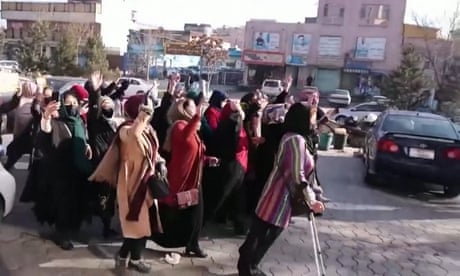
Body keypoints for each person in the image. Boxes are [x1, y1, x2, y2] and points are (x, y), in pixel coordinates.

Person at [237, 103, 325, 276]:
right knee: (264, 233)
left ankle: (249, 262)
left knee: (262, 232)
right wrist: (311, 200)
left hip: (282, 196)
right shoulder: (295, 140)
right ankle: (248, 266)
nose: (314, 122)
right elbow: (296, 174)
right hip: (278, 196)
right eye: (312, 117)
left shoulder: (295, 137)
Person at [89, 94, 163, 273]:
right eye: (145, 107)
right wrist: (143, 116)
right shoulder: (125, 129)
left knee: (142, 226)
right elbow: (133, 136)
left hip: (146, 182)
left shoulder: (147, 128)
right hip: (131, 184)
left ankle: (124, 257)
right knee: (137, 225)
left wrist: (160, 162)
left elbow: (152, 150)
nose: (149, 111)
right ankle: (134, 260)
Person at [155, 97, 216, 258]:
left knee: (197, 214)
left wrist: (208, 160)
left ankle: (192, 244)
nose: (195, 108)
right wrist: (199, 112)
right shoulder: (179, 126)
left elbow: (194, 151)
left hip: (194, 177)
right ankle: (190, 244)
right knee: (185, 212)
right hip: (182, 178)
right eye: (192, 106)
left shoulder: (191, 128)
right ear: (183, 110)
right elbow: (185, 137)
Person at [34, 89, 94, 250]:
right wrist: (46, 116)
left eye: (75, 103)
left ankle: (72, 228)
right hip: (61, 173)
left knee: (77, 202)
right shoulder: (56, 122)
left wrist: (86, 146)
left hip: (78, 171)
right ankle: (62, 234)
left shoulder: (79, 122)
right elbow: (45, 132)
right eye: (68, 104)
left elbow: (82, 138)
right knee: (63, 205)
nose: (73, 106)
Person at [205, 101, 250, 234]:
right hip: (235, 164)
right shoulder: (232, 124)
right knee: (229, 195)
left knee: (231, 195)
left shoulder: (225, 124)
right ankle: (203, 220)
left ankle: (221, 218)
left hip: (234, 163)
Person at [85, 71, 119, 238]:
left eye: (109, 104)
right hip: (100, 163)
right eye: (103, 104)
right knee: (102, 196)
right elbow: (93, 106)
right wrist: (96, 91)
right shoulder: (95, 122)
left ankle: (105, 224)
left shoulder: (114, 125)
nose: (106, 106)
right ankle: (100, 223)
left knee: (108, 197)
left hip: (111, 164)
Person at [4, 81, 38, 170]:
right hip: (19, 133)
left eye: (28, 88)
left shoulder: (36, 102)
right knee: (13, 151)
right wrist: (17, 95)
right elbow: (7, 107)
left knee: (29, 153)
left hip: (29, 134)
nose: (26, 89)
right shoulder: (19, 99)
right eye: (25, 87)